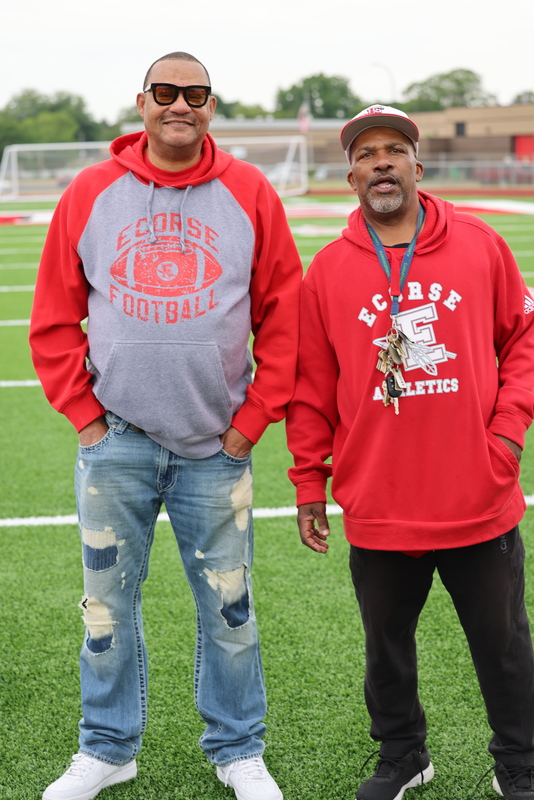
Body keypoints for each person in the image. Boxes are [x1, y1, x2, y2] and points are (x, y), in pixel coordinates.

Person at [30, 51, 302, 800]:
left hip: (217, 446)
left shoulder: (249, 191)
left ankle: (238, 747)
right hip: (115, 441)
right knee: (105, 605)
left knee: (230, 606)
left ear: (212, 106)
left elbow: (285, 316)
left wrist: (251, 423)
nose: (180, 104)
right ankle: (109, 747)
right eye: (165, 92)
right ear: (142, 101)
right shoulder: (91, 191)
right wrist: (86, 419)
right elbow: (53, 316)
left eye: (196, 93)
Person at [286, 104, 534, 800]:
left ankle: (520, 761)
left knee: (505, 647)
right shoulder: (328, 271)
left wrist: (508, 431)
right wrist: (310, 482)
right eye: (367, 155)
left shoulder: (480, 244)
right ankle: (403, 756)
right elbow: (310, 390)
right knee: (386, 650)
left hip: (475, 493)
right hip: (380, 498)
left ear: (418, 167)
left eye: (395, 150)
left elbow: (524, 341)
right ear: (352, 177)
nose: (382, 163)